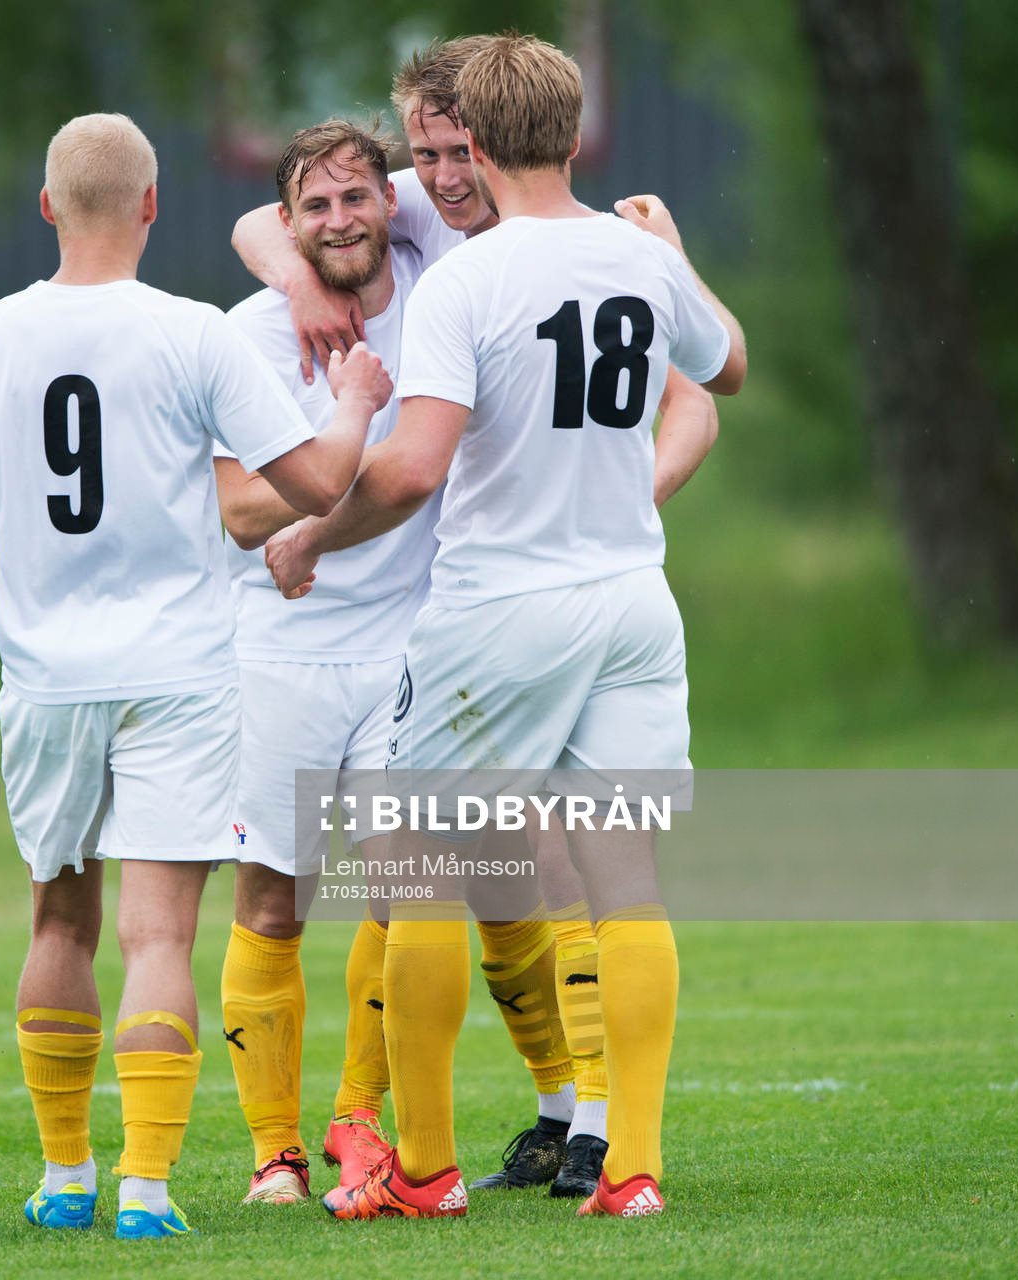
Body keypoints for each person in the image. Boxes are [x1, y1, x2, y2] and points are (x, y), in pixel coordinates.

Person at [0, 113, 389, 1240]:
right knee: (159, 939)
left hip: (45, 678)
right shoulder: (192, 335)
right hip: (178, 674)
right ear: (152, 206)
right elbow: (308, 485)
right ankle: (147, 1187)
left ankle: (64, 1174)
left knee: (58, 920)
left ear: (47, 207)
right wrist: (349, 402)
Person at [263, 33, 745, 1221]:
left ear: (469, 147)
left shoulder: (472, 280)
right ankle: (629, 1165)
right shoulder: (637, 254)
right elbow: (727, 366)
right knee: (625, 885)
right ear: (577, 137)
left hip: (498, 610)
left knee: (422, 872)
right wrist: (674, 261)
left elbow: (414, 468)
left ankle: (421, 1169)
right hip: (634, 601)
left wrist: (313, 537)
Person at [211, 118, 446, 1209]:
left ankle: (359, 1124)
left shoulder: (438, 272)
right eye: (314, 206)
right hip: (278, 655)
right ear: (290, 222)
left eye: (357, 197)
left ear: (389, 201)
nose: (340, 219)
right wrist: (341, 448)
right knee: (274, 902)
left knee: (405, 893)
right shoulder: (251, 334)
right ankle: (275, 1152)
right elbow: (238, 507)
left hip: (410, 644)